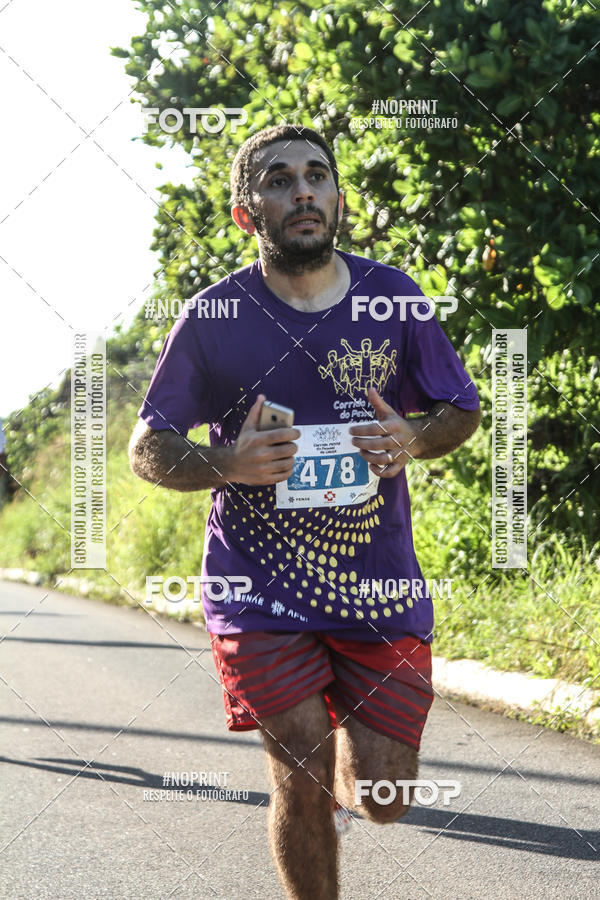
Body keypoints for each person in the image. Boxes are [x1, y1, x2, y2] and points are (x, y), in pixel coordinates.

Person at [129, 124, 481, 900]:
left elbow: (461, 408)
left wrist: (413, 439)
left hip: (375, 584)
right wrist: (225, 464)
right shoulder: (213, 316)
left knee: (385, 798)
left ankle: (354, 746)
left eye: (317, 176)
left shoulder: (395, 298)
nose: (303, 192)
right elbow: (148, 447)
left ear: (339, 199)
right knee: (297, 767)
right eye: (280, 181)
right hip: (258, 588)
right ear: (246, 212)